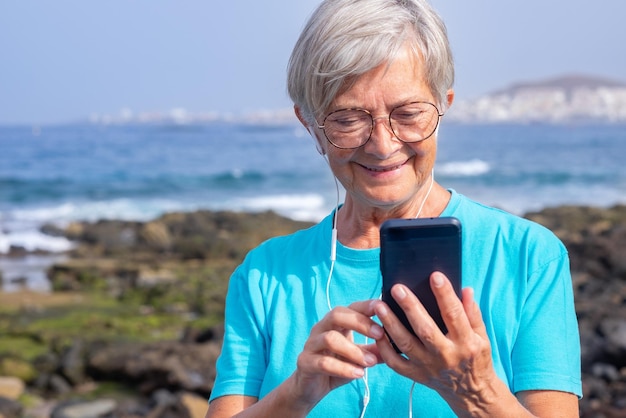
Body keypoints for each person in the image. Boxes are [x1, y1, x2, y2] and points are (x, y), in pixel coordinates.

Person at [206, 0, 582, 416]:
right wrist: (296, 392)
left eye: (408, 114)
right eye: (348, 119)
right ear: (309, 124)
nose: (383, 145)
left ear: (444, 104)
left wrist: (474, 390)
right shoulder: (263, 276)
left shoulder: (528, 256)